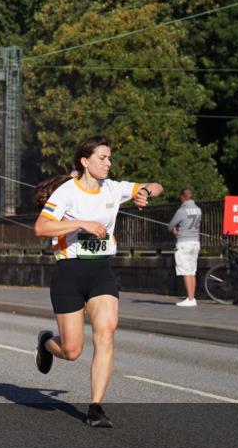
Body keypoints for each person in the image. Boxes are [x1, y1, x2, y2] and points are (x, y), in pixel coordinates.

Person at [33, 135, 163, 428]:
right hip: (69, 272)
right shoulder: (67, 193)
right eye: (102, 158)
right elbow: (41, 227)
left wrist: (145, 191)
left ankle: (95, 407)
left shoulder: (113, 189)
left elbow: (156, 185)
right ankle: (45, 343)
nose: (108, 163)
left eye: (109, 158)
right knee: (72, 351)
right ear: (85, 161)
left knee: (106, 332)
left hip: (101, 272)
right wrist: (81, 223)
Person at [169, 188, 202, 307]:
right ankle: (192, 297)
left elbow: (171, 225)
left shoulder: (182, 210)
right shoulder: (198, 210)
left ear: (183, 197)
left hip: (184, 243)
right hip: (195, 243)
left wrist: (174, 230)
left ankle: (190, 298)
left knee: (186, 271)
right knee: (192, 272)